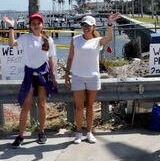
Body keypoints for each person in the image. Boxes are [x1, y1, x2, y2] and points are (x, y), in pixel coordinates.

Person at [3, 13, 58, 148]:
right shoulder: (25, 38)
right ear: (30, 25)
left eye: (38, 23)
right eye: (33, 23)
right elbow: (11, 43)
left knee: (42, 104)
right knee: (26, 105)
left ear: (42, 24)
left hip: (43, 74)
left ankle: (41, 132)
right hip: (29, 74)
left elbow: (51, 59)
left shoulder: (48, 39)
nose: (36, 25)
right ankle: (21, 135)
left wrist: (54, 76)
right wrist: (11, 27)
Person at [65, 13, 121, 144]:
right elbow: (70, 58)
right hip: (77, 76)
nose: (86, 27)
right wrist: (67, 74)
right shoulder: (75, 39)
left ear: (94, 27)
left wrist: (109, 23)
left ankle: (89, 132)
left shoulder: (98, 41)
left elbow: (109, 37)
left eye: (88, 25)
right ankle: (78, 132)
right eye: (84, 25)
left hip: (93, 77)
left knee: (90, 106)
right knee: (79, 107)